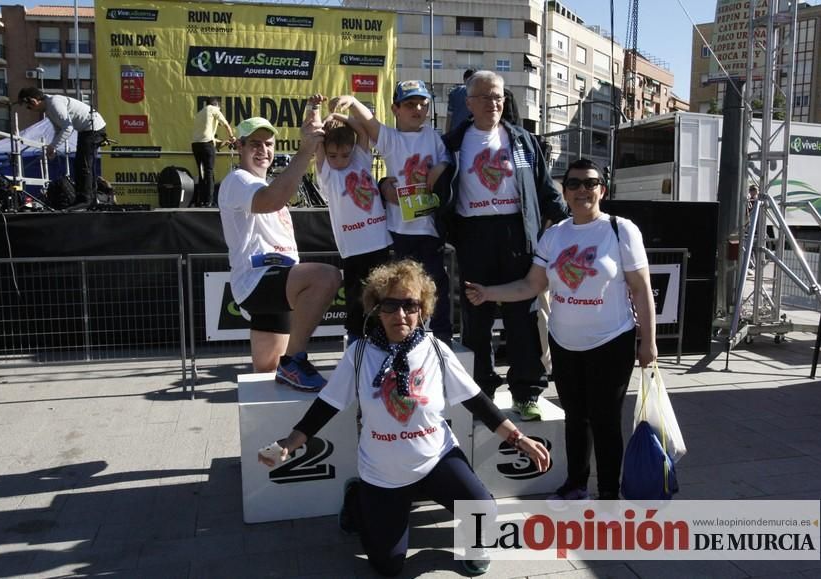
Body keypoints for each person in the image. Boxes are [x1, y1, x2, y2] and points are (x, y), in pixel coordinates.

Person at [260, 259, 550, 577]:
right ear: (376, 309)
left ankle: (470, 540)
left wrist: (518, 438)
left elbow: (476, 402)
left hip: (435, 459)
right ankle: (358, 498)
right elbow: (327, 405)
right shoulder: (359, 355)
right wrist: (291, 441)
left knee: (483, 510)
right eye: (391, 305)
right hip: (383, 472)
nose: (401, 315)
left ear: (422, 309)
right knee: (388, 566)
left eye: (410, 305)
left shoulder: (436, 350)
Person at [465, 158, 657, 500]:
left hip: (612, 340)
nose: (582, 190)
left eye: (590, 183)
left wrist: (649, 343)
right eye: (574, 184)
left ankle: (610, 492)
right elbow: (530, 286)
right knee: (575, 417)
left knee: (606, 420)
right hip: (565, 343)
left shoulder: (620, 229)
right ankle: (576, 483)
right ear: (564, 191)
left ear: (602, 189)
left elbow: (641, 289)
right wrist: (489, 293)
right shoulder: (554, 235)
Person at [435, 70, 568, 420]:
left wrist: (572, 222)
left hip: (516, 233)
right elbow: (428, 184)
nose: (494, 103)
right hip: (474, 235)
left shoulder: (522, 139)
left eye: (498, 96)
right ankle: (481, 392)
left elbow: (544, 188)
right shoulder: (451, 143)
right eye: (485, 96)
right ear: (469, 103)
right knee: (476, 316)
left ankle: (527, 391)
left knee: (522, 315)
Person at [217, 113, 341, 391]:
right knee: (326, 277)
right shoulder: (238, 179)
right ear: (239, 147)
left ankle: (272, 430)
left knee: (267, 383)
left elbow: (275, 198)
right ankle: (294, 360)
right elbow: (272, 200)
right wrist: (306, 150)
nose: (263, 150)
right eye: (255, 144)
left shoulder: (266, 185)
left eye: (269, 144)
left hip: (279, 288)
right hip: (260, 281)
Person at [330, 81, 453, 344]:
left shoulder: (432, 135)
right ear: (395, 109)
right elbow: (371, 124)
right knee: (401, 290)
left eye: (422, 104)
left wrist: (439, 167)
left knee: (436, 285)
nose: (417, 109)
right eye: (410, 104)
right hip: (398, 231)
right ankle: (403, 338)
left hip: (430, 228)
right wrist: (352, 102)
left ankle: (442, 339)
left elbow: (447, 160)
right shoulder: (391, 139)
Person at [310, 94, 391, 343]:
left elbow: (362, 132)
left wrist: (339, 116)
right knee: (357, 298)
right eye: (333, 155)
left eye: (344, 155)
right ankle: (356, 342)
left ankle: (384, 339)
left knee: (383, 294)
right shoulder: (327, 175)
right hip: (354, 248)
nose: (339, 160)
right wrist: (320, 114)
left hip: (380, 241)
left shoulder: (360, 161)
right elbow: (316, 140)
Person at [18, 86, 106, 207]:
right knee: (84, 164)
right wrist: (53, 146)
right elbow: (58, 129)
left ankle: (85, 200)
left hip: (93, 128)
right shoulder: (49, 108)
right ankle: (90, 198)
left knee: (83, 165)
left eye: (28, 107)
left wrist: (53, 146)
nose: (29, 110)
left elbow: (68, 128)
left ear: (34, 101)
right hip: (87, 129)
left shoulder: (54, 104)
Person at [191, 97, 235, 207]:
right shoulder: (214, 109)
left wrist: (225, 142)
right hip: (206, 145)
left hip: (196, 145)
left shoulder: (200, 114)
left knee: (202, 173)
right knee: (209, 172)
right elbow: (226, 125)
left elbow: (209, 139)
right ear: (217, 105)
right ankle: (209, 201)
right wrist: (232, 137)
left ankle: (200, 201)